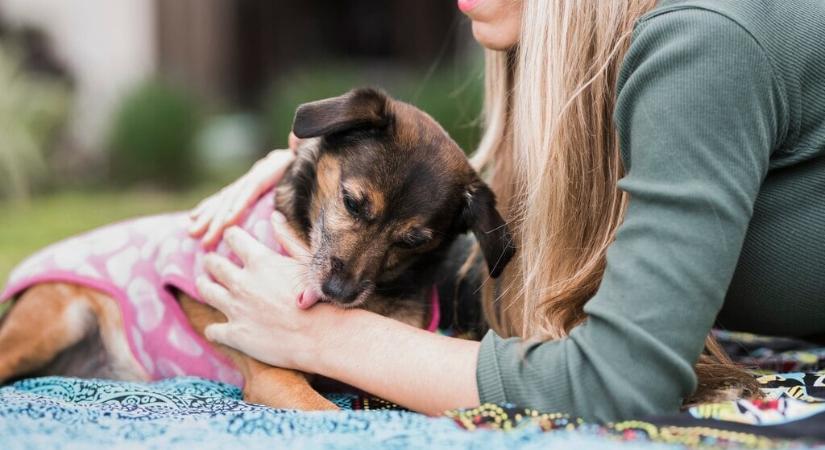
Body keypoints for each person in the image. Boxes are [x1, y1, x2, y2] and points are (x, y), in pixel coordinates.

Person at [188, 0, 825, 422]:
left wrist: (323, 336)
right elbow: (486, 239)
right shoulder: (636, 55)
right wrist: (310, 166)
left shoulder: (704, 42)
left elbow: (616, 384)